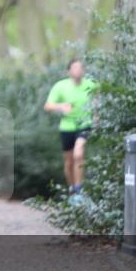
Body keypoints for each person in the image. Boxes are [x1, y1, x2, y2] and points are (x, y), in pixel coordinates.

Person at [44, 59, 98, 194]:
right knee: (68, 163)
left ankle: (79, 190)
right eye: (74, 68)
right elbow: (48, 106)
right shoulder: (60, 86)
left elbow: (98, 103)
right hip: (67, 126)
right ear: (68, 72)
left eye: (80, 68)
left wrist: (97, 118)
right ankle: (72, 190)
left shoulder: (91, 85)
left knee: (78, 154)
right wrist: (61, 106)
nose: (78, 70)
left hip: (85, 124)